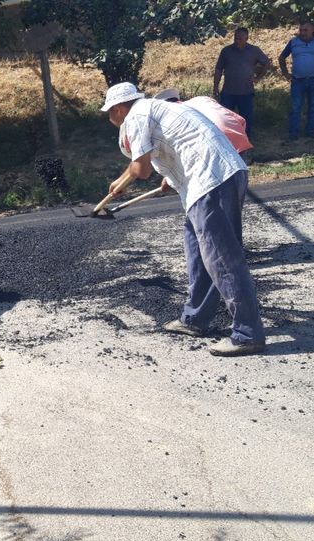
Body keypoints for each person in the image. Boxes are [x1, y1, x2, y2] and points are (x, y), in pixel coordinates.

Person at [101, 82, 265, 356]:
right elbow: (182, 143)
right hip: (219, 175)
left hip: (210, 182)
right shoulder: (160, 109)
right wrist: (170, 176)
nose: (111, 120)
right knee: (199, 251)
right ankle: (195, 319)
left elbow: (140, 169)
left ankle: (248, 334)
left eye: (110, 114)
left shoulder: (136, 115)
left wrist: (120, 183)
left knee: (222, 258)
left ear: (119, 109)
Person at [153, 88, 253, 159]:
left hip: (215, 146)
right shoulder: (202, 99)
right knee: (238, 184)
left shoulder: (177, 116)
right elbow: (240, 119)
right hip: (239, 140)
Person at [278, 21, 314, 140]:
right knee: (295, 107)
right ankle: (294, 133)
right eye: (301, 30)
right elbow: (282, 57)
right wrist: (286, 73)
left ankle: (311, 132)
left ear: (313, 29)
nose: (302, 33)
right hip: (297, 80)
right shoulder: (294, 42)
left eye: (305, 30)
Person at [213, 27, 270, 139]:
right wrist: (215, 86)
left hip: (246, 92)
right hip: (228, 92)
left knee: (246, 119)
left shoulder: (254, 50)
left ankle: (246, 142)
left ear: (247, 38)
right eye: (236, 37)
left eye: (240, 37)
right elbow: (218, 69)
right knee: (225, 119)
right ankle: (226, 141)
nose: (237, 39)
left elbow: (266, 63)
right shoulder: (226, 51)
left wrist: (258, 77)